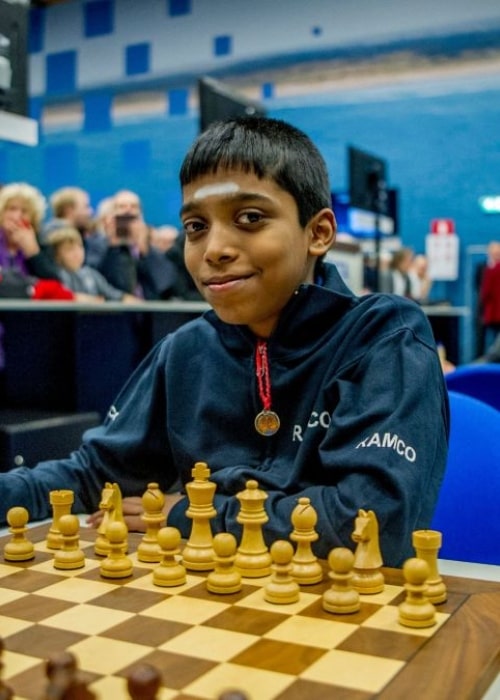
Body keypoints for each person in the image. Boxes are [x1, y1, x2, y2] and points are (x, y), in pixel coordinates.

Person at [0, 117, 449, 567]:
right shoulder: (184, 351)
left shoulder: (383, 336)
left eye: (250, 218)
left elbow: (376, 525)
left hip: (344, 617)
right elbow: (91, 475)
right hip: (207, 612)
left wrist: (194, 516)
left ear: (318, 232)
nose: (213, 248)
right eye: (196, 226)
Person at [98, 189, 178, 300]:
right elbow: (105, 283)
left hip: (149, 311)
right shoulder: (100, 245)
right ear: (112, 215)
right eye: (122, 207)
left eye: (134, 206)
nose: (128, 211)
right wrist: (114, 245)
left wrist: (145, 250)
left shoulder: (149, 249)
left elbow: (165, 285)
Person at [47, 226, 141, 303]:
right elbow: (64, 297)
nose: (77, 253)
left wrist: (133, 301)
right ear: (57, 255)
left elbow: (113, 294)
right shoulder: (57, 275)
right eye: (69, 249)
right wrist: (91, 300)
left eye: (80, 247)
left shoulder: (91, 274)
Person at [479, 240, 500, 353]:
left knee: (492, 343)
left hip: (493, 313)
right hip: (493, 313)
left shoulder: (491, 270)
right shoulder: (488, 268)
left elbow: (486, 292)